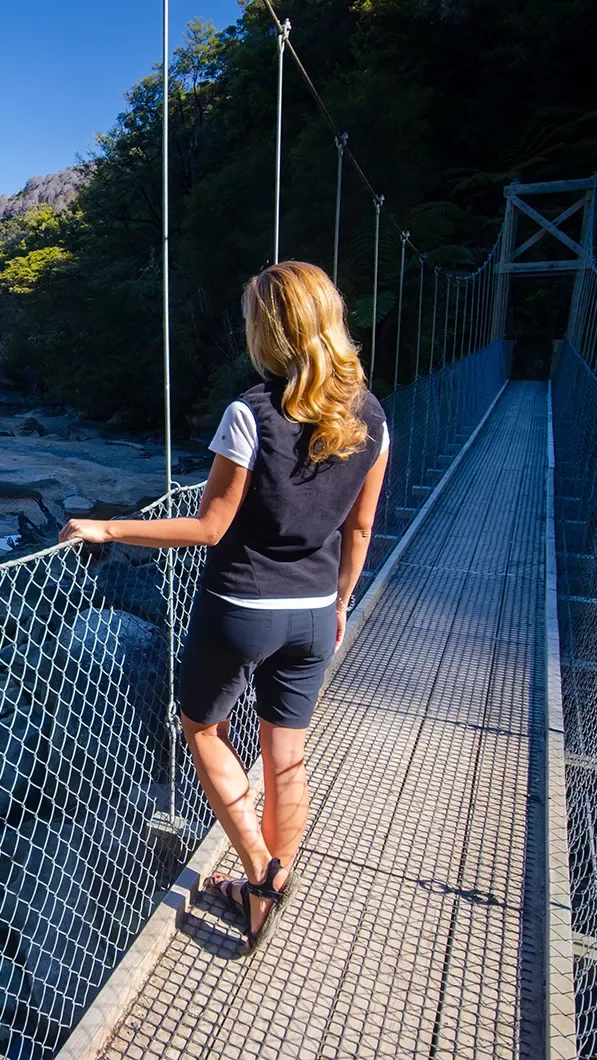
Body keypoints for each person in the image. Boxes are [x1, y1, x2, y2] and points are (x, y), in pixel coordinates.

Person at [58, 260, 388, 953]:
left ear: (269, 331)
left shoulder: (252, 414)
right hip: (314, 609)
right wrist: (342, 601)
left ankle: (261, 877)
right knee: (285, 755)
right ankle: (271, 886)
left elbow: (208, 527)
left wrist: (109, 527)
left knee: (203, 730)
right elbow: (360, 529)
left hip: (241, 606)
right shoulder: (373, 418)